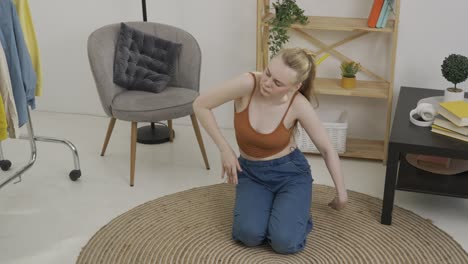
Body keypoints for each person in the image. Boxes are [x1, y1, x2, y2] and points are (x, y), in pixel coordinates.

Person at [192, 48, 347, 254]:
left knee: (285, 243)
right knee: (248, 235)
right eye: (268, 73)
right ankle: (282, 211)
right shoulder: (247, 84)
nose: (266, 82)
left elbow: (327, 149)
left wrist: (342, 193)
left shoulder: (298, 104)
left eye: (277, 83)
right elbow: (200, 105)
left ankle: (296, 210)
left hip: (290, 175)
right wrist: (225, 149)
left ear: (295, 87)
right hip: (251, 173)